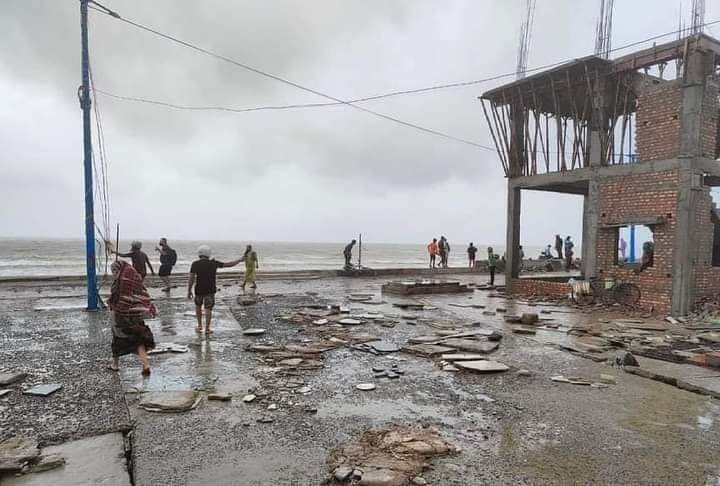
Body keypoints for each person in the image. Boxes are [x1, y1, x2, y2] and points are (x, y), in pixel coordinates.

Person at [108, 260, 156, 376]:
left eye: (115, 270)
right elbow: (142, 294)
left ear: (120, 270)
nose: (114, 273)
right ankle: (145, 365)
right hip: (136, 315)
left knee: (117, 339)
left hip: (121, 316)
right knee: (138, 340)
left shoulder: (120, 283)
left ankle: (115, 365)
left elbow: (117, 298)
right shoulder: (135, 280)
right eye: (112, 271)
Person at [187, 245, 242, 335]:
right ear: (208, 254)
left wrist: (189, 290)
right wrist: (239, 260)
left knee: (198, 306)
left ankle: (200, 326)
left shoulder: (195, 264)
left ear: (199, 254)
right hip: (210, 289)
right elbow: (228, 264)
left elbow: (191, 278)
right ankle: (207, 329)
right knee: (208, 308)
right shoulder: (213, 263)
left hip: (199, 289)